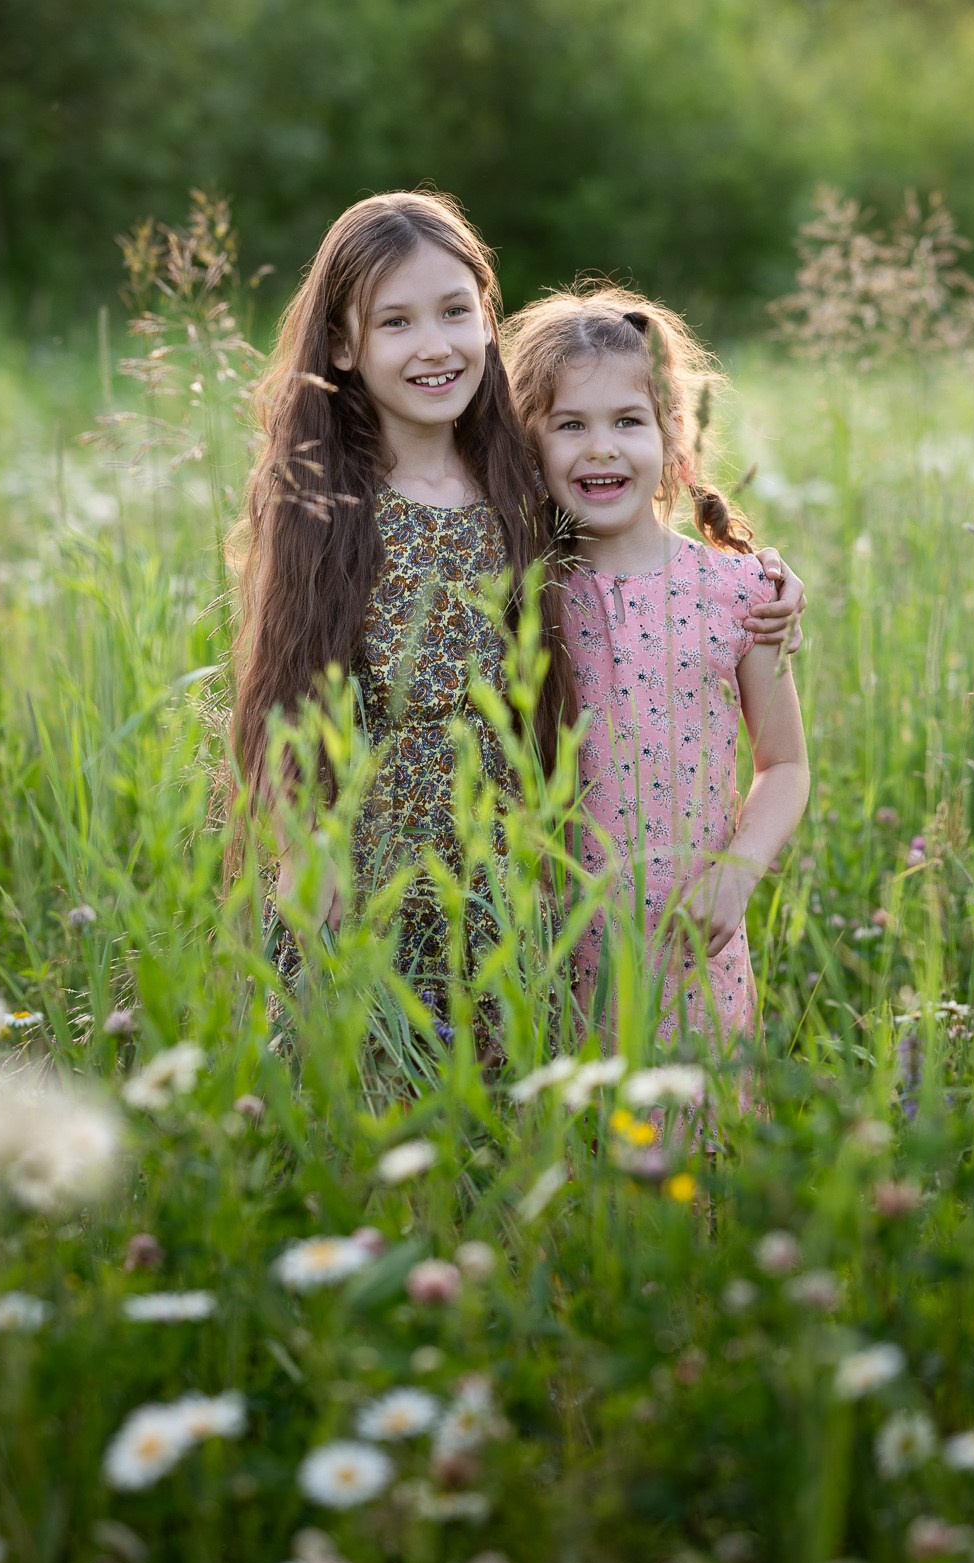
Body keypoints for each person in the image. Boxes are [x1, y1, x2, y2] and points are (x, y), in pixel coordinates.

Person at [230, 192, 804, 1012]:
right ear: (342, 344)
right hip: (362, 892)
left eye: (454, 311)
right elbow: (280, 690)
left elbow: (637, 544)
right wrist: (298, 848)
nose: (435, 344)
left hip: (504, 906)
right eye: (396, 321)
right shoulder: (330, 502)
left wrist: (766, 578)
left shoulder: (517, 498)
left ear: (487, 322)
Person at [502, 284, 810, 1049]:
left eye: (628, 421)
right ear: (529, 443)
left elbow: (785, 764)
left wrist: (737, 872)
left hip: (693, 945)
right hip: (553, 951)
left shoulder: (741, 590)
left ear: (673, 433)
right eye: (570, 424)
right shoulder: (520, 592)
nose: (601, 447)